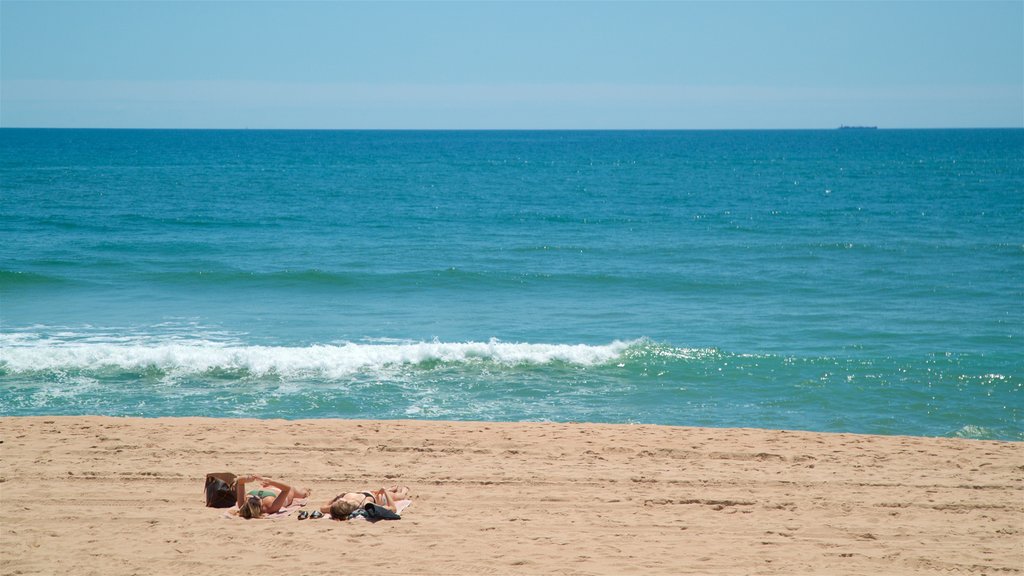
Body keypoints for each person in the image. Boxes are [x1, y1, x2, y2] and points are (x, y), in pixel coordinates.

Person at [234, 474, 311, 519]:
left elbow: (240, 481)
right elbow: (287, 489)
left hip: (270, 489)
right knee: (303, 494)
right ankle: (305, 492)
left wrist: (248, 478)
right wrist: (271, 482)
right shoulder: (269, 508)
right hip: (270, 488)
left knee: (297, 491)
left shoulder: (242, 505)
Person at [320, 485, 411, 520]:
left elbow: (322, 508)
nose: (339, 499)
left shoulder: (343, 500)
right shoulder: (366, 504)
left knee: (387, 492)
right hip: (379, 497)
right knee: (400, 496)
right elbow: (393, 509)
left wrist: (335, 497)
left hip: (371, 492)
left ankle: (390, 489)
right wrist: (385, 491)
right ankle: (403, 490)